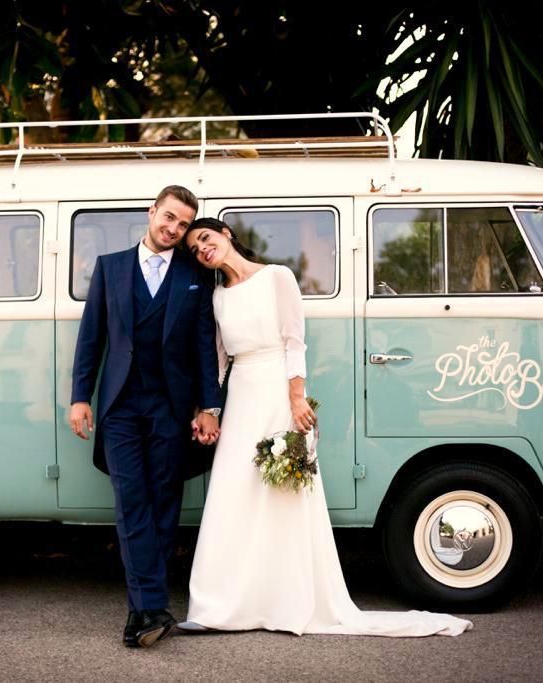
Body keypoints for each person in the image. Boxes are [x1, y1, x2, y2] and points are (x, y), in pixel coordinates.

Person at [181, 217, 472, 637]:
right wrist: (207, 409)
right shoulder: (218, 297)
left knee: (281, 494)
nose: (202, 249)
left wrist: (297, 399)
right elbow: (220, 360)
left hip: (277, 393)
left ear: (226, 235)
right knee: (233, 493)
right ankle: (220, 607)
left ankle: (284, 600)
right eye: (194, 249)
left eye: (205, 238)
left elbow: (293, 341)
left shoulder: (277, 277)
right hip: (242, 396)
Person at [69, 186, 223, 648]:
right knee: (132, 502)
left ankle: (143, 614)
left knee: (163, 506)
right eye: (169, 218)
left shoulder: (195, 275)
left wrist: (208, 405)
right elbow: (91, 337)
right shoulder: (110, 267)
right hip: (119, 407)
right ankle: (151, 605)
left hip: (170, 409)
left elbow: (203, 346)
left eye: (182, 225)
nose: (174, 229)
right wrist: (81, 397)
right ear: (151, 212)